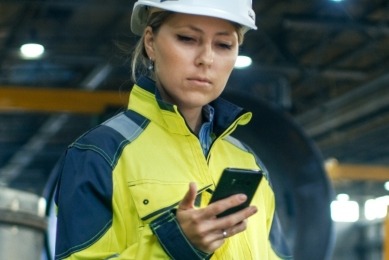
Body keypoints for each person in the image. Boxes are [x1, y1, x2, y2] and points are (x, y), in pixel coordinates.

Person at [54, 0, 292, 259]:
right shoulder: (99, 154)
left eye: (224, 45)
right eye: (187, 38)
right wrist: (175, 245)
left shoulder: (248, 163)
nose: (206, 59)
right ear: (150, 42)